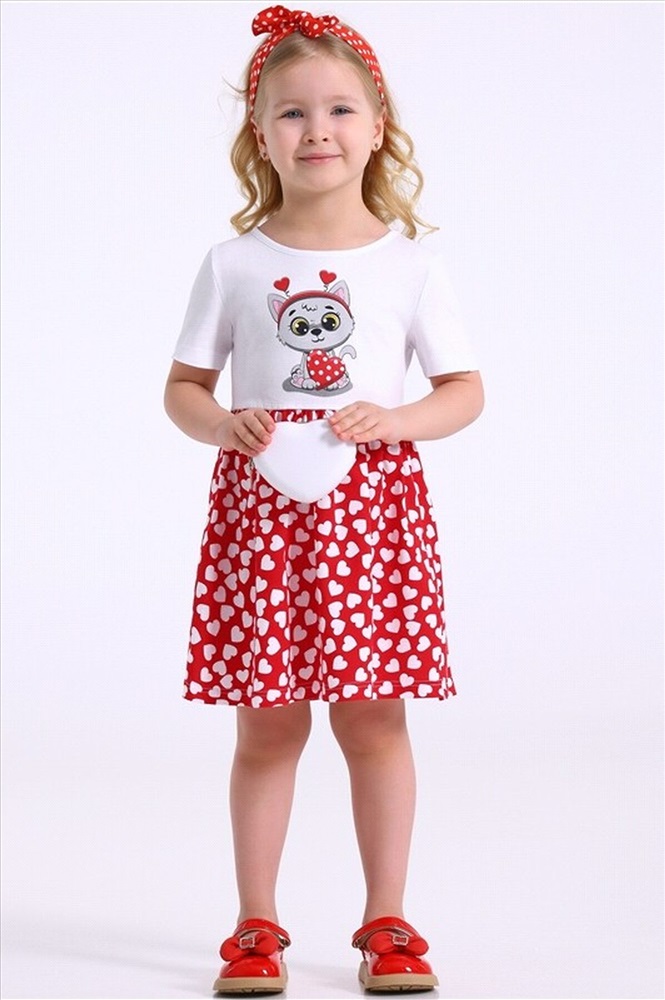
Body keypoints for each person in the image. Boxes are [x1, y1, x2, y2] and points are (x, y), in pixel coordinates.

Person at [164, 5, 484, 994]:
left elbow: (462, 390)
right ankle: (254, 924)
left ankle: (387, 920)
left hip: (371, 518)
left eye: (340, 109)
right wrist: (220, 424)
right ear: (259, 133)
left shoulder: (408, 265)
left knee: (373, 720)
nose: (317, 130)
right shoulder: (234, 264)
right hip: (261, 519)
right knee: (267, 724)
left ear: (377, 126)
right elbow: (182, 389)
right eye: (292, 111)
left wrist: (395, 420)